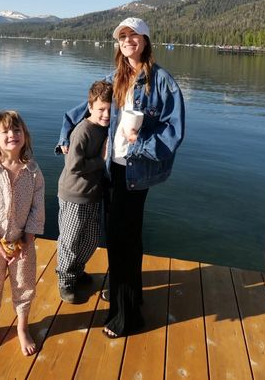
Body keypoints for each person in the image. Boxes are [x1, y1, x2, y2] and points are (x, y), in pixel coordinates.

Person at [56, 17, 185, 338]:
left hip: (136, 173)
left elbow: (174, 132)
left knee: (124, 241)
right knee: (121, 239)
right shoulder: (113, 78)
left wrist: (139, 144)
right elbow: (78, 112)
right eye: (122, 36)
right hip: (111, 173)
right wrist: (64, 139)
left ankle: (126, 318)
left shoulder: (163, 83)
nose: (128, 40)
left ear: (145, 40)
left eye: (134, 35)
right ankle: (127, 296)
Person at [0, 110, 45, 355]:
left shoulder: (33, 172)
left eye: (17, 130)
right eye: (4, 131)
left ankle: (22, 328)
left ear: (25, 135)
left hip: (22, 243)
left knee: (24, 285)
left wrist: (27, 240)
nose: (12, 135)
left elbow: (37, 210)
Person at [56, 80, 113, 303]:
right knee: (70, 240)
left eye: (110, 109)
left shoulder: (105, 128)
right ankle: (65, 280)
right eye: (101, 109)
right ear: (90, 107)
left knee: (90, 238)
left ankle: (77, 270)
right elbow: (74, 166)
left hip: (92, 195)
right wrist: (101, 160)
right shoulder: (83, 131)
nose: (106, 114)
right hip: (74, 194)